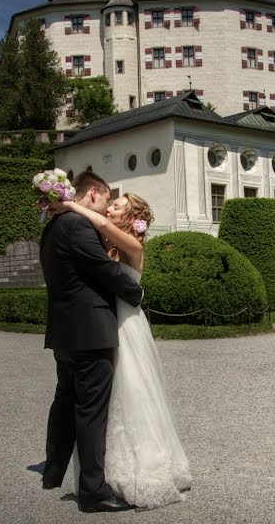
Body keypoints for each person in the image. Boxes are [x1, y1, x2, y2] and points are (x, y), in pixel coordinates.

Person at [48, 191, 192, 510]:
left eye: (117, 206)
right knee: (107, 401)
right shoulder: (107, 244)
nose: (109, 208)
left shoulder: (133, 245)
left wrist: (71, 205)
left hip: (127, 325)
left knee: (133, 391)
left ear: (129, 218)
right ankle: (106, 471)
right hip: (104, 323)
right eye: (111, 203)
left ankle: (144, 467)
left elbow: (97, 220)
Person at [39, 171, 143, 513]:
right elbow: (101, 268)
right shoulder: (77, 226)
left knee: (67, 402)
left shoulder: (52, 227)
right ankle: (92, 492)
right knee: (91, 411)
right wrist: (135, 291)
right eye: (107, 199)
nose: (107, 206)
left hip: (65, 332)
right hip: (90, 330)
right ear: (95, 194)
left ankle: (54, 470)